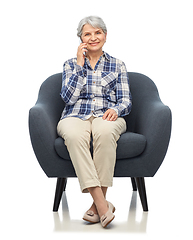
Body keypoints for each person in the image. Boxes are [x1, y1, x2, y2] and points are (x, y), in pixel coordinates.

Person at [57, 16, 132, 228]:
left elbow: (126, 100)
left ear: (105, 36)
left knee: (105, 133)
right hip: (75, 115)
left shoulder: (118, 65)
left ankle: (95, 206)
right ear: (81, 39)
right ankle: (102, 204)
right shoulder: (70, 65)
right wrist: (80, 66)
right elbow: (68, 98)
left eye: (97, 32)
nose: (93, 37)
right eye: (87, 34)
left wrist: (115, 109)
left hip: (106, 116)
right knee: (73, 135)